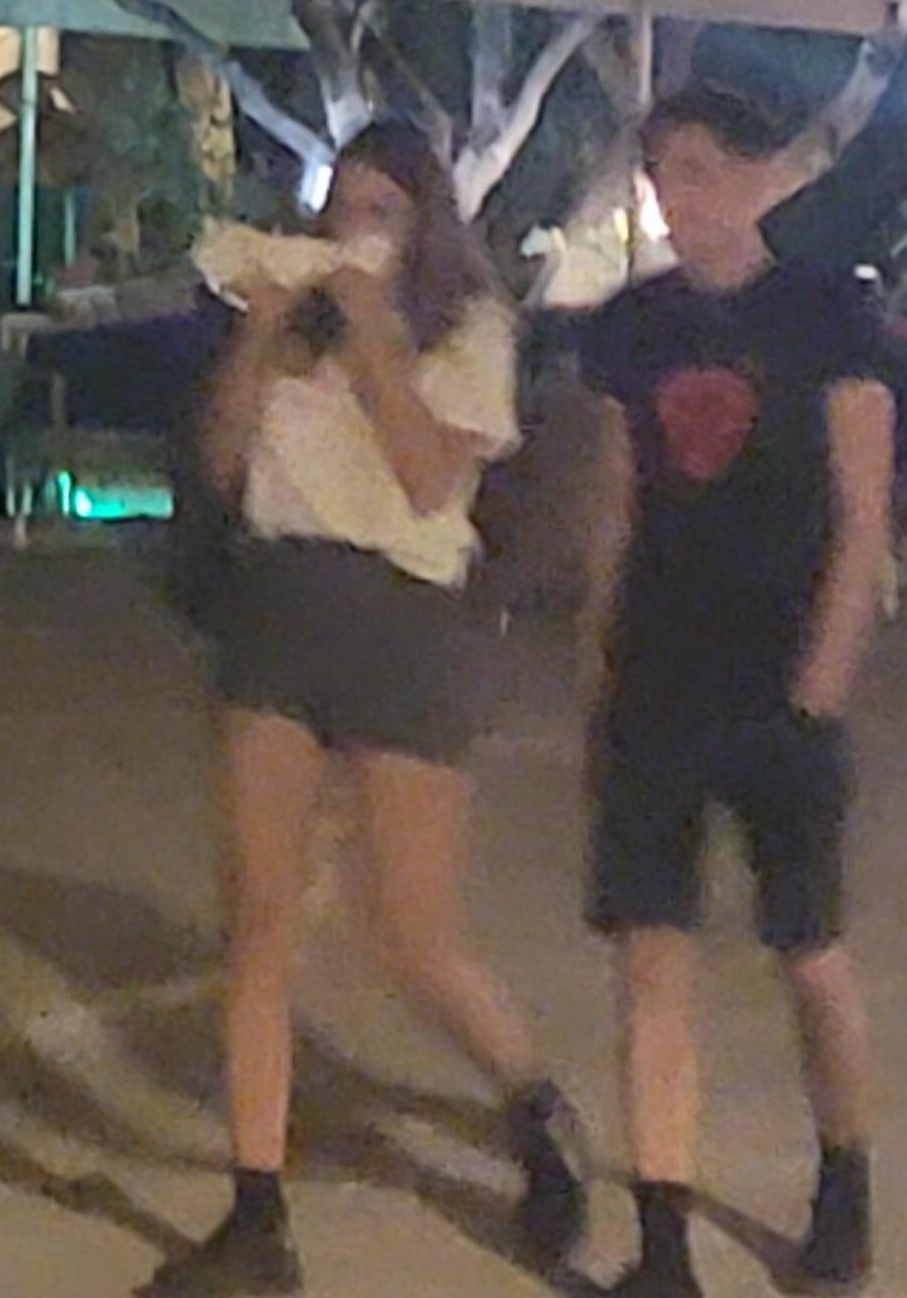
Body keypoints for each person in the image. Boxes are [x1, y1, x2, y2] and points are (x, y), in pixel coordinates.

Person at [144, 118, 587, 1296]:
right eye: (341, 204)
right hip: (284, 604)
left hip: (405, 627)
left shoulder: (469, 328)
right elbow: (224, 462)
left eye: (381, 207)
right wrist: (260, 335)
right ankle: (256, 1218)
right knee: (259, 921)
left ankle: (537, 1108)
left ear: (427, 218)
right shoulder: (293, 321)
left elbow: (432, 475)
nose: (353, 227)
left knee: (414, 935)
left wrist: (376, 330)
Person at [579, 84, 898, 1297]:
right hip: (661, 675)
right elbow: (617, 506)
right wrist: (596, 663)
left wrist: (820, 685)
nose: (678, 194)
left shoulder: (830, 315)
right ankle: (662, 1241)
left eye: (703, 167)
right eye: (663, 170)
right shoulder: (631, 327)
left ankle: (845, 1177)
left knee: (809, 949)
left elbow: (862, 512)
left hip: (779, 683)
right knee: (651, 954)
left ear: (763, 178)